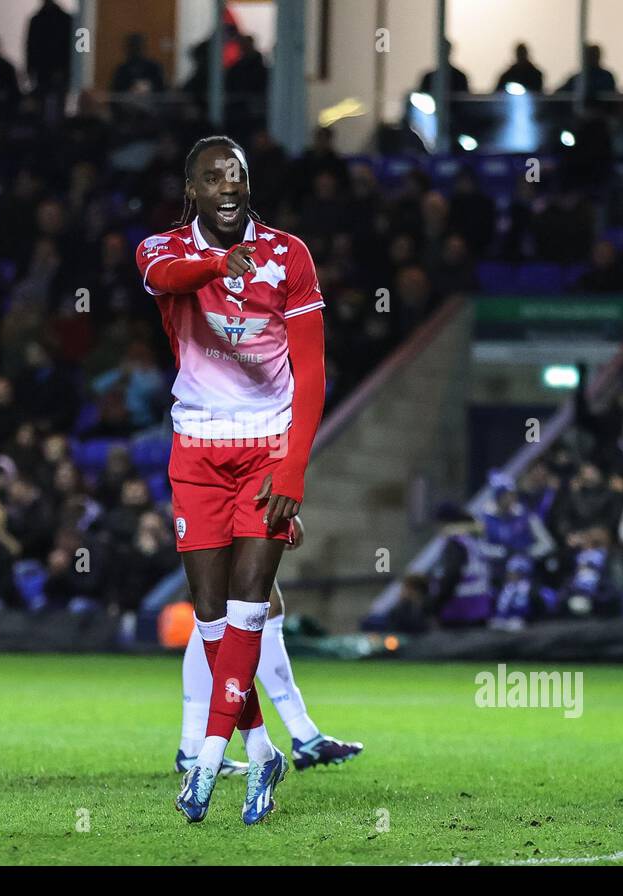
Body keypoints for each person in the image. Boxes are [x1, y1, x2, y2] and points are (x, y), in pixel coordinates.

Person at [136, 135, 326, 825]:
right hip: (196, 451)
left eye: (237, 174)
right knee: (210, 619)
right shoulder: (160, 251)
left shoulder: (290, 256)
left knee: (251, 604)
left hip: (265, 451)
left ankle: (212, 758)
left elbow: (312, 372)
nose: (227, 185)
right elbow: (171, 280)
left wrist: (294, 470)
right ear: (191, 190)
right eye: (213, 176)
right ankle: (261, 747)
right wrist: (219, 262)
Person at [175, 516, 363, 776]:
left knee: (250, 609)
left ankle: (303, 734)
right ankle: (301, 735)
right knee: (230, 610)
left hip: (234, 497)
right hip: (221, 500)